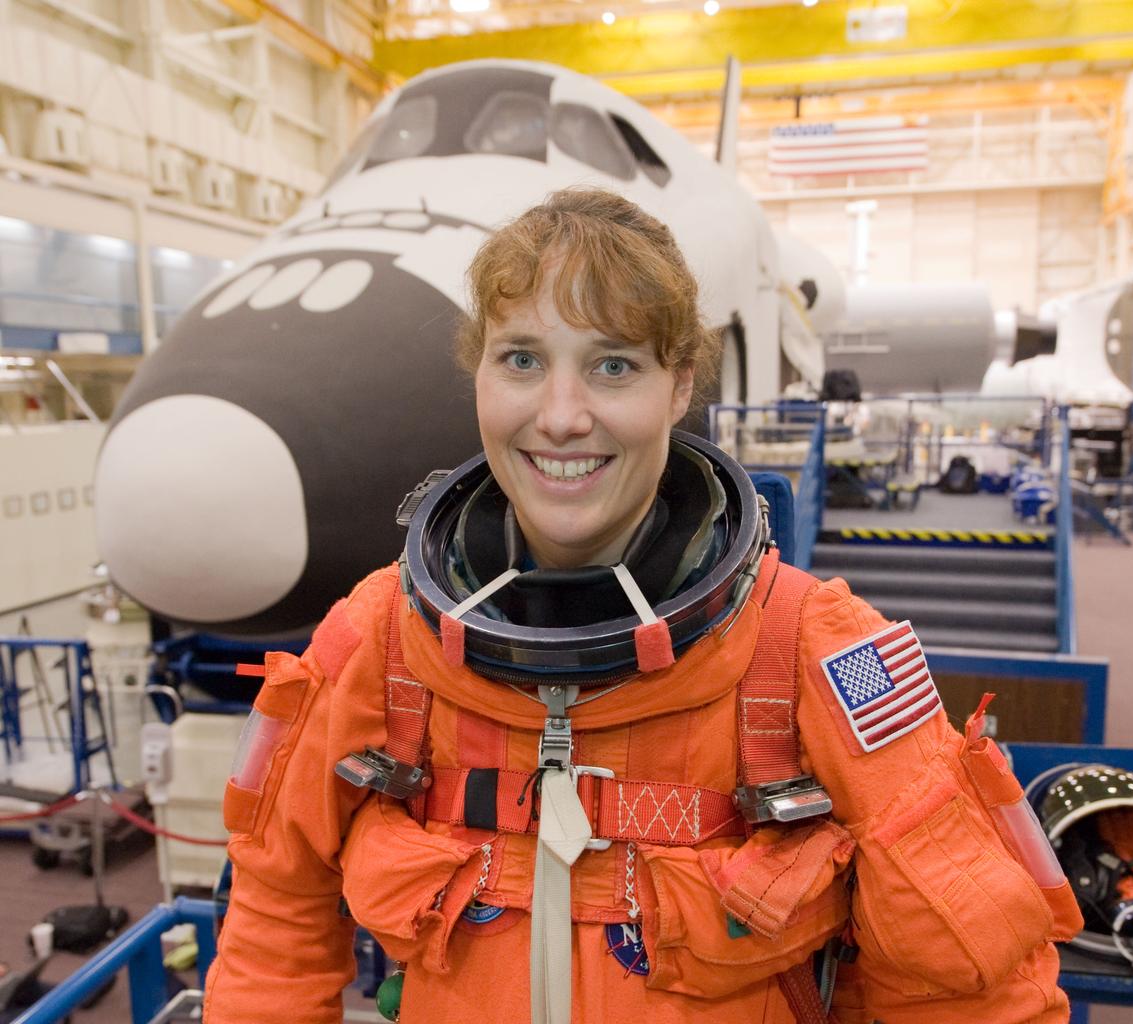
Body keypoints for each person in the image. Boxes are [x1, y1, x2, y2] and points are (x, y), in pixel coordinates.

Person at [204, 188, 1081, 1024]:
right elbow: (273, 925)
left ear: (679, 385)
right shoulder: (379, 639)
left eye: (612, 365)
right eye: (521, 360)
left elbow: (974, 984)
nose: (560, 417)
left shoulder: (813, 651)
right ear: (479, 375)